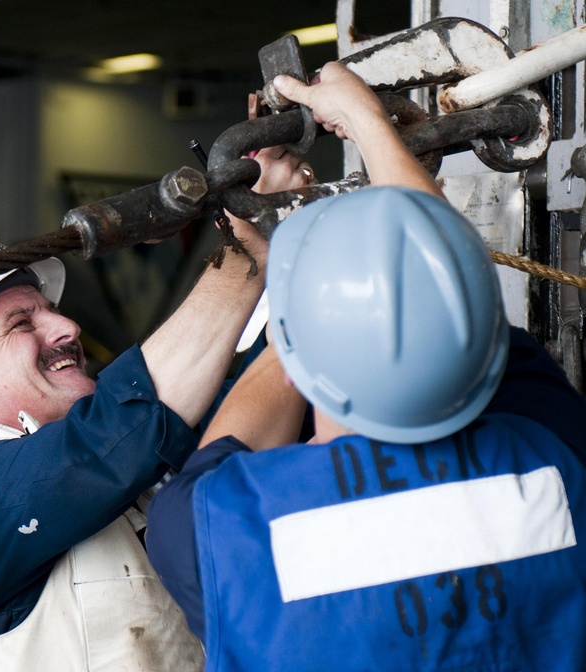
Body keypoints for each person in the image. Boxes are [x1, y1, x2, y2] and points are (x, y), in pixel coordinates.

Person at [146, 62, 586, 671]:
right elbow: (449, 290)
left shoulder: (211, 531)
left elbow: (223, 455)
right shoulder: (554, 457)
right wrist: (364, 119)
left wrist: (292, 283)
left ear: (296, 342)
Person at [0, 135, 313, 667]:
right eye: (22, 323)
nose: (67, 326)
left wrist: (292, 241)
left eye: (49, 309)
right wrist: (248, 242)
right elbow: (114, 435)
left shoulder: (119, 462)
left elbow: (253, 397)